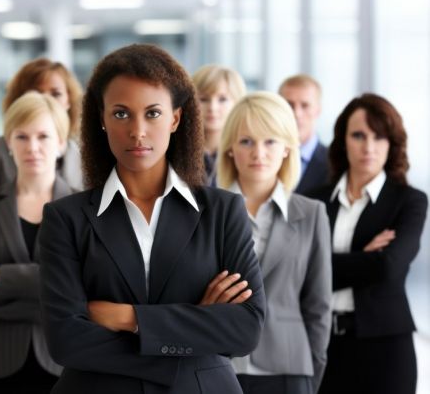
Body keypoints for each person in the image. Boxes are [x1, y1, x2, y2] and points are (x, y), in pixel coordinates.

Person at [38, 44, 265, 394]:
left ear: (175, 118)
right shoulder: (65, 218)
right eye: (121, 114)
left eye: (153, 113)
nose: (138, 131)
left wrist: (128, 318)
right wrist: (195, 326)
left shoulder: (222, 212)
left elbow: (245, 329)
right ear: (101, 118)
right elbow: (66, 340)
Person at [216, 91, 332, 394]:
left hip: (289, 370)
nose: (259, 153)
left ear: (286, 149)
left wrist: (311, 375)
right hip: (220, 364)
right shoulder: (204, 214)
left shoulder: (311, 213)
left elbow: (318, 306)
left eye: (270, 141)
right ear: (229, 148)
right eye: (246, 141)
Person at [311, 93, 427, 394]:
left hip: (386, 349)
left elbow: (388, 266)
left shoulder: (409, 201)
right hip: (322, 345)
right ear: (343, 140)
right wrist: (364, 257)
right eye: (359, 135)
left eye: (379, 136)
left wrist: (324, 264)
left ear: (392, 143)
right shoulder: (313, 201)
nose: (369, 147)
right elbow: (298, 272)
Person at [0, 91, 73, 393]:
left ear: (61, 143)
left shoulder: (82, 209)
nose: (32, 147)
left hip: (66, 363)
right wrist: (51, 301)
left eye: (43, 136)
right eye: (22, 137)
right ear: (8, 143)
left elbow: (82, 291)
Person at [0, 57, 83, 192]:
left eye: (56, 94)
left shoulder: (83, 155)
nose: (46, 100)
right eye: (35, 93)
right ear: (18, 100)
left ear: (69, 101)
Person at [192, 64, 247, 185]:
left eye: (222, 99)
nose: (212, 108)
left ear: (237, 103)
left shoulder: (246, 151)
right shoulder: (176, 151)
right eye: (203, 99)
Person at [278, 74, 329, 195]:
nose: (297, 114)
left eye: (305, 105)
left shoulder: (334, 163)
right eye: (289, 105)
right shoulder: (264, 156)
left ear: (318, 110)